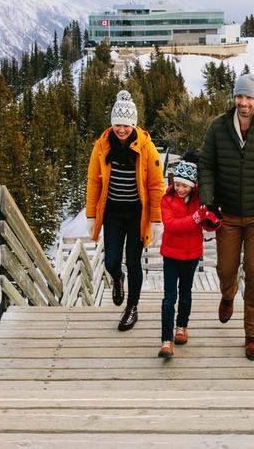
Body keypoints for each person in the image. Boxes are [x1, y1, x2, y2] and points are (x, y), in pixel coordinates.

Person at [197, 72, 254, 361]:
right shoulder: (218, 127)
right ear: (234, 98)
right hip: (227, 214)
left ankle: (252, 335)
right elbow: (207, 165)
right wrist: (208, 204)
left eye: (249, 97)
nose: (243, 102)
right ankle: (228, 295)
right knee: (225, 269)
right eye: (239, 96)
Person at [86, 90, 164, 331]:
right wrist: (91, 214)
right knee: (111, 261)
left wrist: (156, 219)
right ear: (112, 124)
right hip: (112, 213)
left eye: (126, 125)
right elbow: (93, 181)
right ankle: (117, 278)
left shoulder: (146, 147)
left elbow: (156, 184)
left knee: (133, 262)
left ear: (134, 124)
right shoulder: (102, 145)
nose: (121, 130)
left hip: (136, 215)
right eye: (118, 125)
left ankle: (132, 308)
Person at [156, 153, 212, 358]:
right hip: (171, 255)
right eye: (178, 184)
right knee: (169, 297)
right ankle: (166, 340)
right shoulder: (167, 200)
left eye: (185, 186)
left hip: (191, 255)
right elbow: (172, 225)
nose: (180, 189)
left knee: (186, 293)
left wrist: (213, 220)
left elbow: (209, 225)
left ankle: (182, 326)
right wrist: (196, 217)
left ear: (193, 186)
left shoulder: (200, 200)